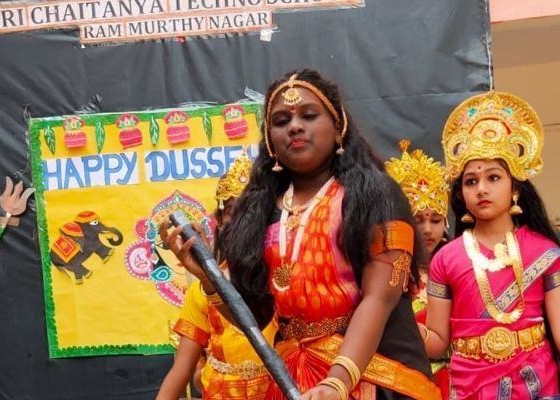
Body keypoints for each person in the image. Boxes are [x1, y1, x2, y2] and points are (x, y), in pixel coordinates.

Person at [163, 68, 439, 399]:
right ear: (270, 141)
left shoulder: (375, 193)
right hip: (293, 381)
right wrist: (209, 279)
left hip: (377, 377)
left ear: (338, 127)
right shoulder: (261, 210)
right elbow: (256, 317)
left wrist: (336, 383)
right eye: (281, 121)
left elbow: (380, 297)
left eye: (309, 115)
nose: (294, 126)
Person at [423, 91, 560, 399]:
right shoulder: (445, 259)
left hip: (537, 386)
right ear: (461, 195)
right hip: (471, 391)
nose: (482, 189)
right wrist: (399, 323)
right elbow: (438, 343)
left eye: (493, 177)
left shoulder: (545, 254)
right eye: (471, 181)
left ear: (515, 189)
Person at [157, 151, 277, 400]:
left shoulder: (284, 278)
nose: (243, 221)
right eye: (234, 211)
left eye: (252, 211)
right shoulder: (203, 288)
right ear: (220, 220)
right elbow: (181, 371)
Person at [385, 139, 451, 398]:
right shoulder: (388, 270)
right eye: (417, 220)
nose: (427, 229)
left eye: (435, 220)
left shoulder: (456, 267)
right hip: (399, 379)